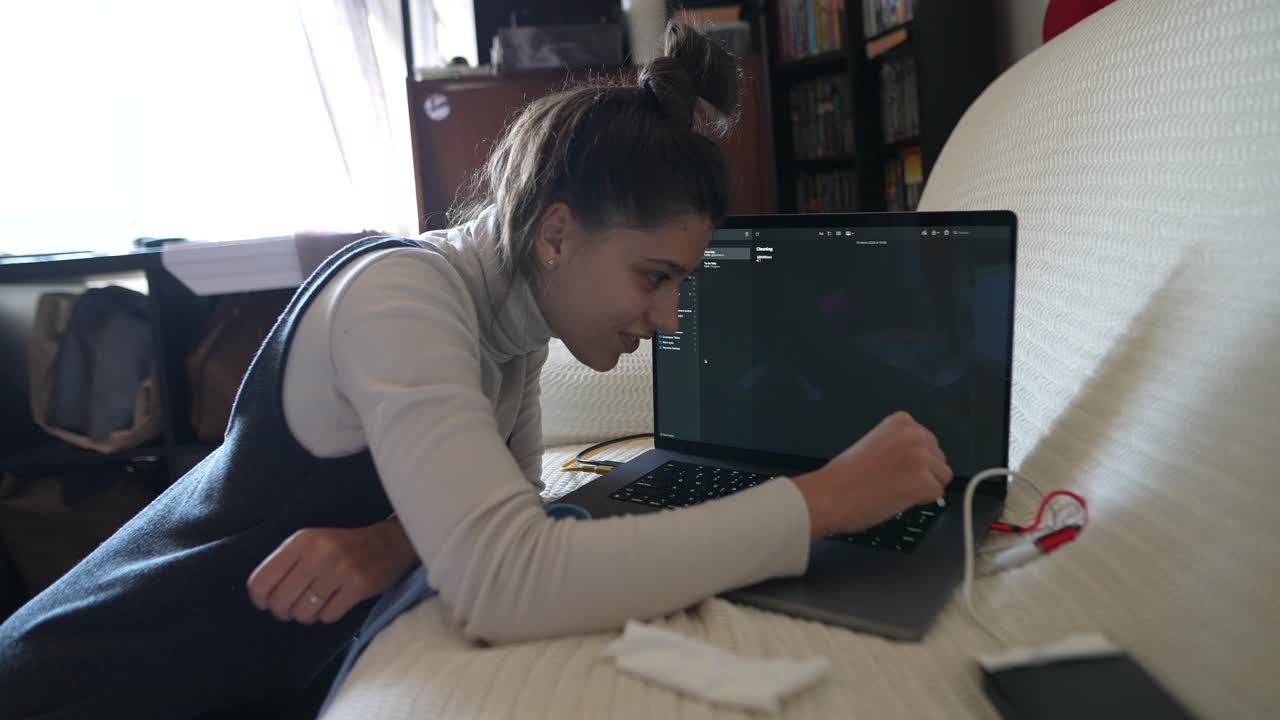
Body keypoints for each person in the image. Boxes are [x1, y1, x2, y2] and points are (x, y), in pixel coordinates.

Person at [0, 23, 951, 719]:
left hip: (236, 681)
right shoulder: (401, 299)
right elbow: (507, 579)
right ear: (556, 233)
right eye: (654, 278)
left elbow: (513, 502)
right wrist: (823, 502)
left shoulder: (515, 330)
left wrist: (391, 540)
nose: (667, 319)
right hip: (81, 683)